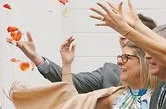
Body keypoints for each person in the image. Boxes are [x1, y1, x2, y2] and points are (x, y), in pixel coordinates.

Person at [13, 14, 156, 94]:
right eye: (121, 32)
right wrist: (36, 58)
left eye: (128, 32)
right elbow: (73, 95)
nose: (121, 37)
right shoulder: (110, 74)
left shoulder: (164, 73)